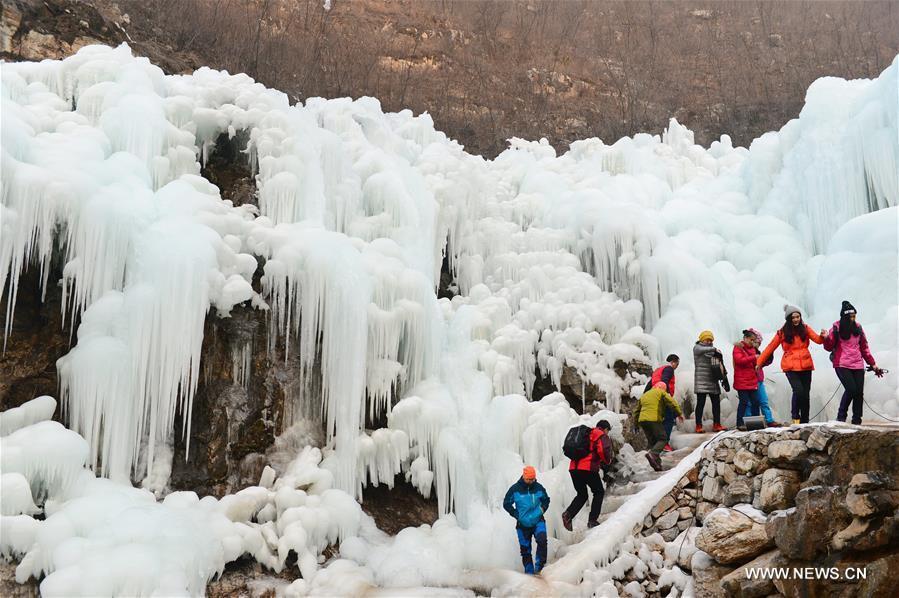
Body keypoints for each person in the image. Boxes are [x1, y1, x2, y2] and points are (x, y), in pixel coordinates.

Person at [757, 305, 825, 424]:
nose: (796, 319)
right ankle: (795, 417)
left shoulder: (805, 328)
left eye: (798, 317)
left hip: (806, 365)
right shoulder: (782, 332)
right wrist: (759, 362)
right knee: (798, 391)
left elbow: (818, 340)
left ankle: (805, 421)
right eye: (793, 317)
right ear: (789, 319)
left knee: (805, 394)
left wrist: (823, 336)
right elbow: (770, 347)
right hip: (790, 367)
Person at [822, 301, 884, 425]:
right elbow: (829, 347)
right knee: (851, 389)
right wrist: (826, 338)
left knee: (859, 393)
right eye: (850, 316)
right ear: (844, 316)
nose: (852, 319)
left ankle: (857, 420)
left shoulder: (858, 327)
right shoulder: (836, 327)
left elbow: (864, 348)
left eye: (854, 316)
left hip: (857, 364)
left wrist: (873, 364)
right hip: (842, 364)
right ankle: (841, 418)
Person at [561, 420, 614, 532]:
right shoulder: (599, 434)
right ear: (605, 429)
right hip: (587, 468)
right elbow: (603, 450)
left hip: (574, 469)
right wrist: (607, 461)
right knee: (598, 491)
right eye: (608, 431)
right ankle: (592, 520)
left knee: (582, 494)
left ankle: (568, 515)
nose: (607, 433)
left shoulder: (587, 434)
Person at [503, 466, 550, 575]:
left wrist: (542, 509)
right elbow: (506, 503)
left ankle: (540, 568)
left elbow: (546, 500)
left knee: (542, 540)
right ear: (524, 477)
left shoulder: (538, 487)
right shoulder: (515, 489)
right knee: (525, 550)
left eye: (533, 479)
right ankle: (529, 573)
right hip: (522, 524)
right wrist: (515, 514)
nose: (531, 481)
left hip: (538, 520)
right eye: (529, 479)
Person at [634, 382, 684, 471]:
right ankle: (653, 454)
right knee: (663, 439)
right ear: (662, 388)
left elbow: (637, 411)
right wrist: (678, 413)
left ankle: (657, 465)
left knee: (654, 444)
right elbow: (672, 402)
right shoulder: (661, 392)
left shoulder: (644, 395)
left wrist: (636, 425)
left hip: (643, 421)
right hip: (654, 419)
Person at [644, 354, 679, 451]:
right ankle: (664, 443)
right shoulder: (669, 369)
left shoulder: (658, 370)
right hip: (662, 397)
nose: (676, 367)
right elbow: (665, 380)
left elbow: (649, 384)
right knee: (669, 419)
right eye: (677, 364)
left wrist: (644, 396)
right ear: (673, 362)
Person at [745, 328, 779, 427]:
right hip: (750, 380)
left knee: (763, 400)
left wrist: (770, 354)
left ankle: (769, 420)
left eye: (759, 343)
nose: (758, 344)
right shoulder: (746, 351)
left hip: (759, 380)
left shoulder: (758, 352)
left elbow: (764, 363)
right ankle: (749, 420)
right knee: (750, 402)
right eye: (757, 342)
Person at [693, 331, 726, 433]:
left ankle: (717, 424)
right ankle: (698, 425)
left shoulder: (712, 350)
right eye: (707, 339)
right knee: (700, 403)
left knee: (716, 403)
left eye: (710, 340)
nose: (709, 341)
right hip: (701, 381)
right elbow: (701, 349)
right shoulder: (697, 348)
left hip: (713, 380)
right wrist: (715, 349)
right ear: (702, 339)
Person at [733, 330, 764, 430]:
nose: (753, 342)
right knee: (744, 402)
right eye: (751, 340)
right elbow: (739, 361)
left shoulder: (753, 349)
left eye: (754, 340)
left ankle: (755, 424)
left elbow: (756, 362)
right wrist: (753, 357)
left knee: (756, 402)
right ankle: (739, 423)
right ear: (745, 338)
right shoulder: (738, 348)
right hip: (741, 380)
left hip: (752, 380)